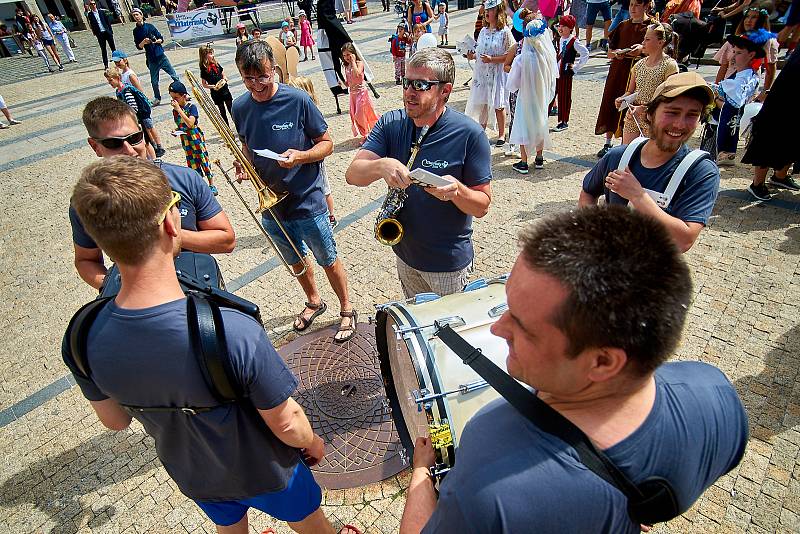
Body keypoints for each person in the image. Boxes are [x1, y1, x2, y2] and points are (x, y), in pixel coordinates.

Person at [399, 206, 748, 534]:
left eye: (523, 326)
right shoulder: (715, 395)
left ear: (602, 362)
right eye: (506, 306)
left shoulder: (491, 480)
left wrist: (420, 472)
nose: (497, 328)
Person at [66, 155, 360, 534]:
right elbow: (287, 422)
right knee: (311, 525)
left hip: (194, 473)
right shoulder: (230, 329)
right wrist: (314, 442)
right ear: (173, 224)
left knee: (230, 528)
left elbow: (116, 421)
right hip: (268, 470)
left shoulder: (81, 335)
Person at [231, 40, 356, 342]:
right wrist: (243, 164)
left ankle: (347, 308)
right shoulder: (239, 106)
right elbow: (247, 145)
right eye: (248, 78)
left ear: (273, 69)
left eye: (262, 76)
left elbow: (326, 143)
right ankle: (314, 301)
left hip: (306, 199)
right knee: (295, 260)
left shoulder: (298, 100)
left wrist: (300, 156)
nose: (256, 84)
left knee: (327, 256)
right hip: (272, 203)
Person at [345, 47, 493, 298]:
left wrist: (456, 191)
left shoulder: (470, 134)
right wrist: (382, 165)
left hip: (448, 266)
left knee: (449, 332)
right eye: (406, 82)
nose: (409, 93)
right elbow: (352, 175)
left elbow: (482, 207)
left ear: (445, 91)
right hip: (406, 256)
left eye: (420, 85)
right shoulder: (391, 122)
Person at [71, 97, 235, 290]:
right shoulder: (90, 198)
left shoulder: (186, 179)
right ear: (95, 146)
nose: (129, 150)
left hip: (199, 286)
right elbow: (85, 260)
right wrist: (115, 288)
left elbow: (226, 240)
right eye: (114, 144)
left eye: (134, 138)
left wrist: (166, 234)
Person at [580, 72, 720, 252]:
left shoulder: (700, 172)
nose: (679, 124)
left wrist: (638, 196)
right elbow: (588, 192)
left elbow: (683, 241)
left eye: (692, 115)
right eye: (672, 112)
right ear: (649, 114)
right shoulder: (618, 156)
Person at [742, 46, 800, 200]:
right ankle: (757, 184)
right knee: (768, 139)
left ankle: (780, 177)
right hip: (782, 100)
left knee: (794, 140)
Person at [595, 0, 651, 158]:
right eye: (631, 5)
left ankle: (626, 144)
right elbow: (609, 52)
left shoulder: (652, 26)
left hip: (639, 72)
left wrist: (642, 50)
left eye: (637, 5)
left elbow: (660, 50)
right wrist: (617, 53)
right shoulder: (623, 25)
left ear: (646, 6)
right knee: (612, 101)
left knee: (632, 104)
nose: (633, 9)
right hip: (619, 70)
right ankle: (607, 142)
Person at [287, 76, 340, 228]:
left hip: (316, 160)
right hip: (303, 160)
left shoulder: (311, 111)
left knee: (324, 188)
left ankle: (330, 216)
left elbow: (323, 140)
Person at [615, 22, 679, 144]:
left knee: (649, 154)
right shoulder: (639, 64)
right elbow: (630, 91)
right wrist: (622, 99)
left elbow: (669, 96)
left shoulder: (670, 65)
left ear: (660, 42)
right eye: (644, 39)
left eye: (648, 39)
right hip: (634, 114)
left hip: (655, 116)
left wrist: (645, 108)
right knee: (626, 151)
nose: (643, 43)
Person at [508, 18, 558, 173]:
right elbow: (552, 79)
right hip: (541, 96)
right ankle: (539, 157)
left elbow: (513, 83)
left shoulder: (521, 59)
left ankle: (523, 162)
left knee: (523, 126)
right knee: (540, 124)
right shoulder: (548, 58)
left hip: (525, 97)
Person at [465, 0, 514, 148]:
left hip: (497, 73)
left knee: (499, 104)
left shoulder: (505, 32)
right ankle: (481, 131)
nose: (486, 13)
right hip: (483, 73)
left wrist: (493, 59)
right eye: (486, 11)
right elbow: (479, 52)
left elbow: (511, 54)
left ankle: (501, 134)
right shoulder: (483, 31)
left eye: (490, 10)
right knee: (483, 102)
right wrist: (471, 55)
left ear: (498, 12)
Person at [712, 33, 761, 166]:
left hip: (727, 120)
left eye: (738, 53)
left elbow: (733, 106)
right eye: (733, 52)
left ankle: (723, 152)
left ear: (751, 55)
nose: (733, 57)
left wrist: (714, 98)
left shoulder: (743, 79)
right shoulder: (743, 74)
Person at [714, 8, 779, 99]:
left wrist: (765, 91)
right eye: (747, 16)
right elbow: (723, 67)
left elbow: (770, 69)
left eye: (754, 17)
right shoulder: (733, 40)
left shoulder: (768, 41)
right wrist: (716, 90)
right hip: (728, 86)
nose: (748, 20)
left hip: (748, 88)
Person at [169, 80, 217, 195]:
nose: (174, 101)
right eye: (172, 98)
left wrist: (179, 110)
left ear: (184, 96)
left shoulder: (191, 107)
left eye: (176, 98)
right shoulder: (175, 111)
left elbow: (191, 124)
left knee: (203, 160)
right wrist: (176, 130)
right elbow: (182, 125)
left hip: (195, 138)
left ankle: (211, 184)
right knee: (192, 163)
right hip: (185, 140)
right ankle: (200, 185)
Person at [104, 66, 157, 160]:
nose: (110, 83)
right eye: (109, 81)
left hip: (138, 120)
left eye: (111, 80)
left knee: (146, 143)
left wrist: (127, 118)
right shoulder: (118, 91)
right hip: (133, 121)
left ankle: (154, 161)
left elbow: (134, 108)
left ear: (118, 78)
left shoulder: (126, 91)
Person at [132, 8, 180, 107]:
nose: (136, 17)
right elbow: (138, 47)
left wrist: (156, 41)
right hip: (151, 58)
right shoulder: (136, 31)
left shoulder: (150, 26)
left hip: (160, 55)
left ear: (141, 15)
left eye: (137, 14)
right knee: (154, 81)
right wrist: (144, 42)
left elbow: (161, 39)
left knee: (174, 75)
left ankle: (182, 93)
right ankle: (157, 98)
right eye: (134, 15)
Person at [553, 14, 589, 132]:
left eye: (564, 26)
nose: (561, 29)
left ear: (570, 28)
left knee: (564, 97)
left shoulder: (574, 41)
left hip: (566, 73)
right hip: (556, 72)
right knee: (552, 94)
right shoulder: (558, 40)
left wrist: (576, 67)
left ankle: (564, 121)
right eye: (560, 26)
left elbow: (585, 53)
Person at [342, 42, 380, 143]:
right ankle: (365, 134)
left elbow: (358, 74)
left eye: (348, 55)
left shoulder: (359, 63)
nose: (346, 57)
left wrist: (353, 61)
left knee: (360, 113)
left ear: (353, 53)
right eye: (344, 55)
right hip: (353, 94)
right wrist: (342, 83)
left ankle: (368, 133)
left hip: (361, 93)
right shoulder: (346, 66)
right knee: (355, 114)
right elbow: (349, 82)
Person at [199, 44, 234, 126]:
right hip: (216, 93)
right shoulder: (204, 69)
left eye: (212, 53)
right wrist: (213, 87)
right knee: (222, 111)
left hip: (224, 89)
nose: (212, 55)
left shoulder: (216, 64)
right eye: (210, 54)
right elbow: (204, 84)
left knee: (231, 109)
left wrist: (225, 78)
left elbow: (223, 73)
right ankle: (227, 128)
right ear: (205, 56)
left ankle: (238, 126)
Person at [85, 0, 116, 69]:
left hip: (107, 32)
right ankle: (106, 64)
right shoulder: (90, 14)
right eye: (91, 4)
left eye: (94, 4)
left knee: (113, 48)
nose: (93, 5)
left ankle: (117, 61)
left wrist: (110, 31)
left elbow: (107, 22)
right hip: (100, 34)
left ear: (96, 4)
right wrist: (95, 33)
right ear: (90, 6)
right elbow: (92, 24)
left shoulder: (101, 12)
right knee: (103, 49)